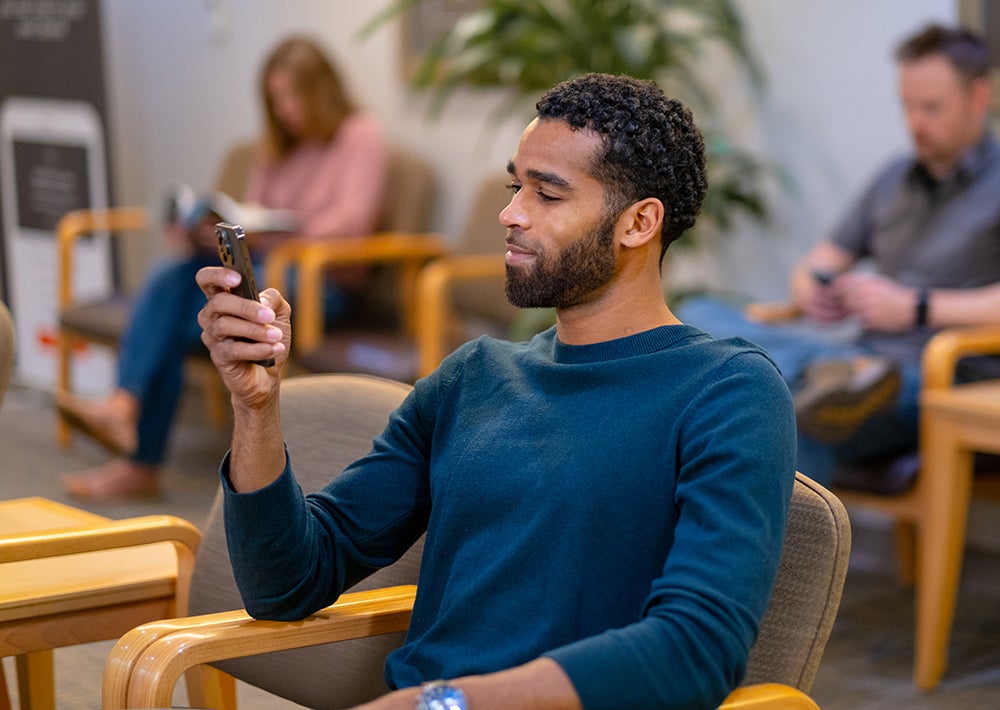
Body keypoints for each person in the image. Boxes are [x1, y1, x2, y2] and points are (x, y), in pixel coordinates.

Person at [197, 73, 796, 709]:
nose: (510, 214)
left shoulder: (729, 393)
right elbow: (287, 584)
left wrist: (441, 704)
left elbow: (698, 650)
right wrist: (255, 406)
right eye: (517, 186)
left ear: (639, 223)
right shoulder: (474, 376)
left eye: (548, 195)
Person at [56, 36, 388, 499]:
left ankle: (136, 451)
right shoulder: (277, 147)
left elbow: (352, 224)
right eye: (275, 99)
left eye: (292, 96)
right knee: (174, 278)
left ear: (320, 90)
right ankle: (125, 413)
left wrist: (281, 230)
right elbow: (249, 211)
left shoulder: (359, 135)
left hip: (319, 283)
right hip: (270, 266)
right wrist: (207, 230)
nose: (285, 109)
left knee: (190, 311)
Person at [677, 24, 1000, 488]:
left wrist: (916, 308)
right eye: (907, 106)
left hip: (939, 373)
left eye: (932, 108)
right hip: (855, 357)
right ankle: (827, 374)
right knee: (696, 314)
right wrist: (815, 289)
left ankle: (829, 381)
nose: (915, 123)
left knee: (778, 413)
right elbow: (821, 261)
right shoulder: (894, 177)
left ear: (978, 97)